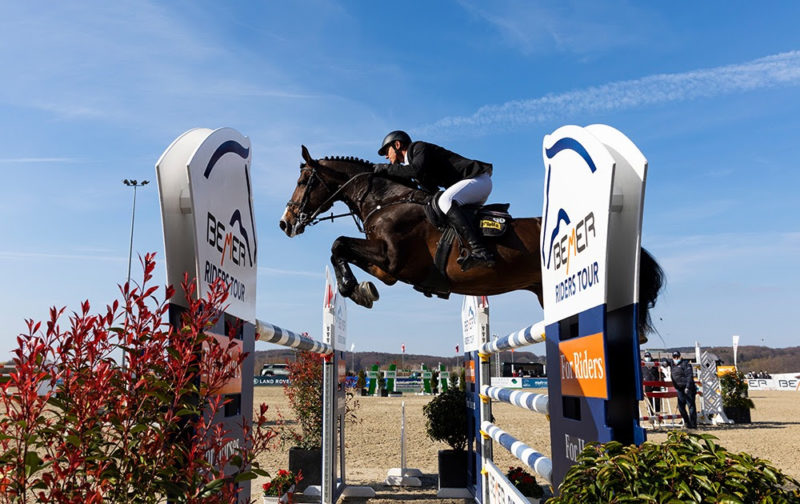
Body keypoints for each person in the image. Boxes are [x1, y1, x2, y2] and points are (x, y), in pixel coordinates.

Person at [373, 130, 495, 271]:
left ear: (397, 144)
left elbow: (415, 171)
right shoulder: (413, 164)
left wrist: (385, 169)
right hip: (472, 186)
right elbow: (431, 191)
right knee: (438, 206)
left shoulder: (418, 148)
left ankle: (480, 250)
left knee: (445, 201)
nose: (386, 157)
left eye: (387, 151)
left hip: (477, 179)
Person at [669, 351, 697, 429]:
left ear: (680, 356)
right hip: (679, 389)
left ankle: (693, 424)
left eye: (677, 357)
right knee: (681, 407)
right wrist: (664, 361)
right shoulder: (672, 363)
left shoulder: (686, 364)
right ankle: (687, 422)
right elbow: (666, 360)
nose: (676, 358)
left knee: (691, 406)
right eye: (674, 357)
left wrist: (688, 387)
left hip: (688, 388)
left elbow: (689, 376)